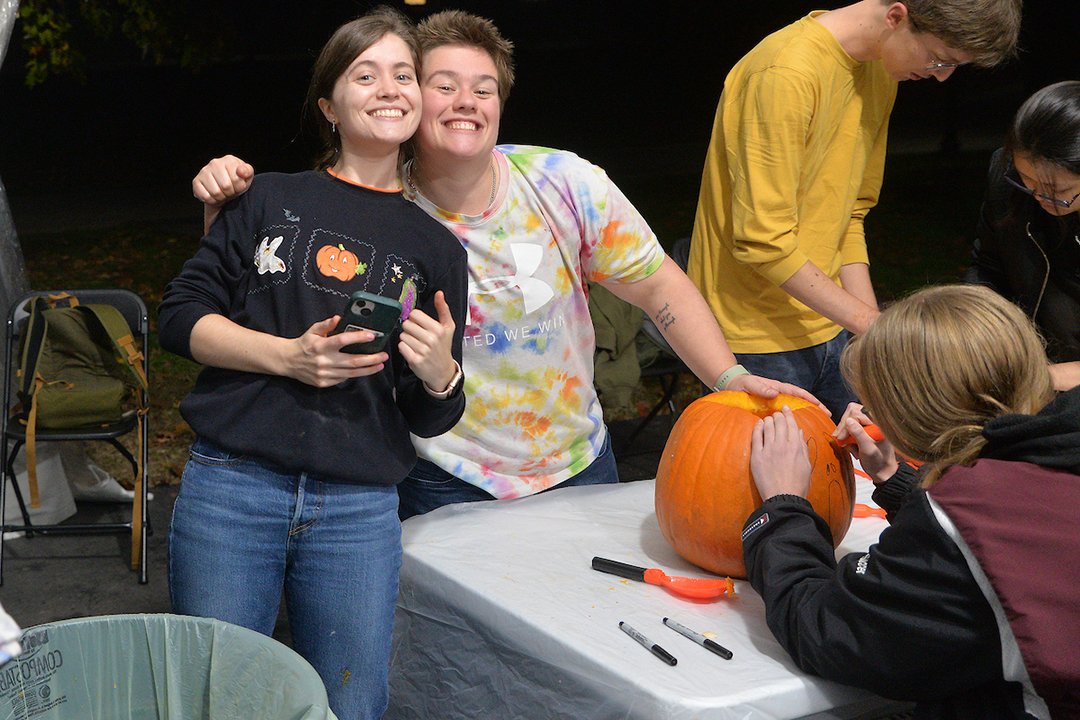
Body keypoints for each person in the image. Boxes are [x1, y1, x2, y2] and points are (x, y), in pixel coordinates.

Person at [193, 9, 821, 522]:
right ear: (411, 99)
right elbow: (270, 291)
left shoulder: (565, 183)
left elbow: (660, 286)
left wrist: (729, 378)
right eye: (444, 85)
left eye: (483, 88)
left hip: (577, 465)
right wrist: (222, 209)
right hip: (438, 475)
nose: (466, 101)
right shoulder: (380, 212)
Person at [158, 8, 468, 719]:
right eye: (366, 74)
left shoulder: (436, 247)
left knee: (350, 704)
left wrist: (440, 373)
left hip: (357, 511)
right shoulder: (267, 198)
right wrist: (288, 359)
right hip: (233, 489)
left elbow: (435, 413)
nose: (389, 88)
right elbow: (179, 317)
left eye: (404, 75)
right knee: (217, 697)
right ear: (330, 105)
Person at [744, 284, 1079, 718]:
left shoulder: (963, 521)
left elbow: (828, 631)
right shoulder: (1054, 451)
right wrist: (898, 481)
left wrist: (781, 506)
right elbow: (994, 561)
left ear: (909, 419)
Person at [688, 0, 1023, 420]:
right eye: (940, 59)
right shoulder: (785, 73)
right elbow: (762, 241)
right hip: (753, 339)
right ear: (897, 17)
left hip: (833, 321)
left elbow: (850, 214)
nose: (942, 76)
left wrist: (868, 334)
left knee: (868, 474)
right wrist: (876, 326)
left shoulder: (880, 72)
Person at [966, 80, 1080, 392]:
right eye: (1026, 180)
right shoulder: (1006, 180)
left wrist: (1049, 377)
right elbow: (988, 267)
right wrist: (978, 334)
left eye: (1060, 191)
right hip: (1032, 366)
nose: (1040, 196)